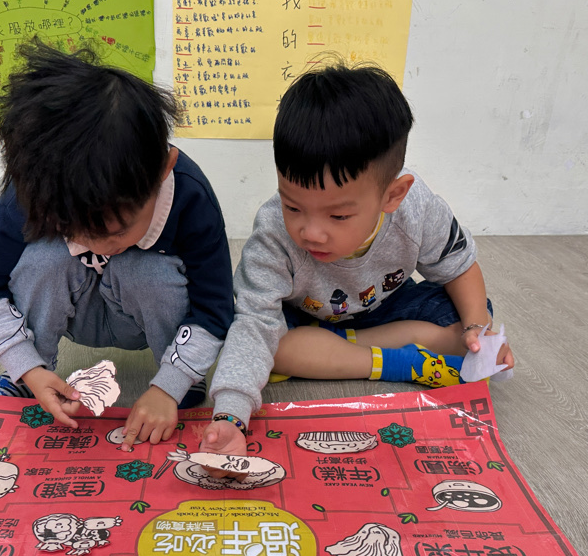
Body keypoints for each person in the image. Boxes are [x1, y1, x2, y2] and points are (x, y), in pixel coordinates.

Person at [201, 62, 513, 458]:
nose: (311, 232)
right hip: (303, 316)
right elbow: (254, 325)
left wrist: (476, 332)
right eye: (293, 206)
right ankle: (403, 360)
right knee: (256, 341)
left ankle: (336, 349)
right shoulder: (273, 232)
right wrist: (230, 416)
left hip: (384, 308)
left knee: (469, 308)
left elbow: (459, 267)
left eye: (338, 216)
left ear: (393, 196)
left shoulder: (416, 210)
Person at [0, 39, 233, 449]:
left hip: (145, 317)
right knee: (44, 259)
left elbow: (215, 307)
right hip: (78, 311)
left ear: (163, 170)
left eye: (117, 231)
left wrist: (170, 385)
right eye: (73, 230)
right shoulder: (36, 188)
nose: (99, 246)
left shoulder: (191, 196)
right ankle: (31, 377)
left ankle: (180, 379)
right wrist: (27, 366)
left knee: (146, 270)